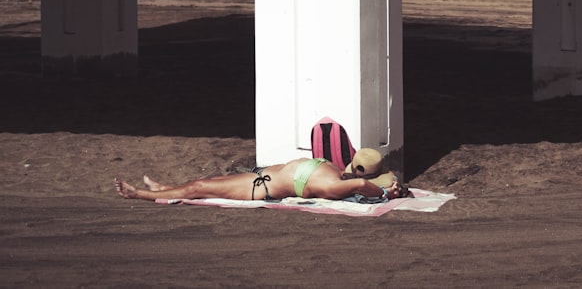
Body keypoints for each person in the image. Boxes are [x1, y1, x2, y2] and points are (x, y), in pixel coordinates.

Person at [114, 147, 407, 202]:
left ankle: (139, 194)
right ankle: (164, 188)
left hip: (260, 188)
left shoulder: (335, 185)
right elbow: (359, 178)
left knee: (199, 186)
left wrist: (383, 193)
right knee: (205, 183)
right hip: (261, 175)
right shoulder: (334, 171)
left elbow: (362, 183)